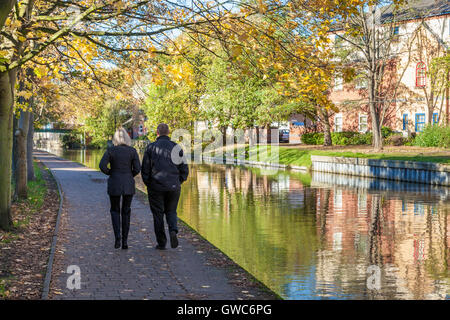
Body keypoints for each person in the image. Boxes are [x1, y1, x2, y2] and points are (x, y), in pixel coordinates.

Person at [141, 123, 189, 250]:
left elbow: (145, 169)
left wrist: (149, 184)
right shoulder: (176, 147)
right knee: (171, 211)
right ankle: (173, 230)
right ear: (168, 133)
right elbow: (184, 168)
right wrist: (179, 181)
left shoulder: (150, 148)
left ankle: (161, 243)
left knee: (158, 214)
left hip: (156, 186)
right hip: (173, 186)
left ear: (157, 133)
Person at [99, 127, 141, 249]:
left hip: (114, 182)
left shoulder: (111, 150)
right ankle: (125, 242)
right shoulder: (132, 151)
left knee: (115, 210)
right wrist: (129, 175)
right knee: (126, 211)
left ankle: (117, 238)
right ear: (127, 138)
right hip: (128, 183)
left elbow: (102, 165)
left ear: (115, 139)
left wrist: (110, 173)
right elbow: (137, 169)